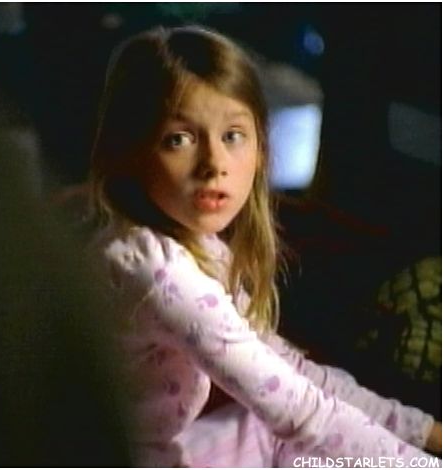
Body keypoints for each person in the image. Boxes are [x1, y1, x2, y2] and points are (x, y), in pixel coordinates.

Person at [87, 25, 441, 467]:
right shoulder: (154, 270)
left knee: (272, 427)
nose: (214, 164)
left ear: (259, 147)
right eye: (179, 139)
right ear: (133, 154)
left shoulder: (194, 246)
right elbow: (299, 411)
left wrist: (425, 431)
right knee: (301, 432)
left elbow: (291, 375)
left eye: (233, 135)